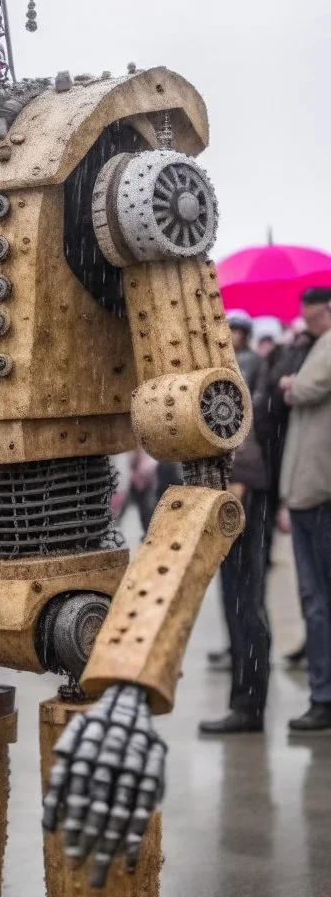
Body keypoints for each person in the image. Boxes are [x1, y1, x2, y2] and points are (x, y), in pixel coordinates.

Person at [200, 307, 271, 733]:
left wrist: (238, 482)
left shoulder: (244, 369)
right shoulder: (241, 367)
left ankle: (248, 703)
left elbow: (244, 431)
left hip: (240, 491)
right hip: (234, 489)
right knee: (239, 600)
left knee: (244, 601)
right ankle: (246, 699)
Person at [280, 287, 331, 732]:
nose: (305, 318)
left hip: (319, 493)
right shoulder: (314, 344)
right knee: (315, 600)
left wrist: (291, 384)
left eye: (310, 312)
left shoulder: (327, 346)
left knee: (318, 602)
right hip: (307, 492)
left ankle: (324, 696)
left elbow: (310, 388)